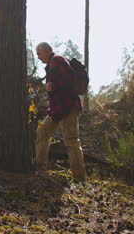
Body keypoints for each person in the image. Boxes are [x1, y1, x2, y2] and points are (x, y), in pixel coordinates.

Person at [35, 42, 87, 181]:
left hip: (68, 108)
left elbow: (69, 82)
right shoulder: (53, 64)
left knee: (71, 140)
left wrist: (52, 86)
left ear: (47, 51)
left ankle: (80, 178)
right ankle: (40, 168)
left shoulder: (57, 60)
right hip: (57, 110)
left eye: (39, 53)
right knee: (42, 132)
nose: (38, 56)